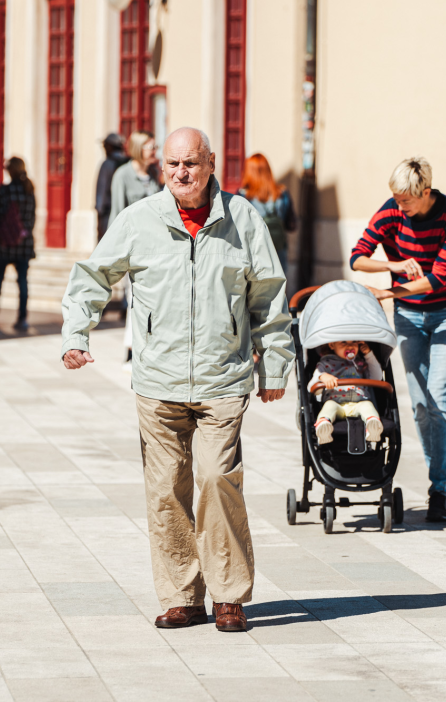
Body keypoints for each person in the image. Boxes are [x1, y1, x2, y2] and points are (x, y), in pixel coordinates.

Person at [61, 127, 293, 633]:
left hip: (222, 378)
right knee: (165, 489)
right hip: (158, 380)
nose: (181, 173)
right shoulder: (139, 220)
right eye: (172, 165)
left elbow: (270, 297)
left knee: (215, 480)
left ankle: (229, 594)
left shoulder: (243, 219)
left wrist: (274, 364)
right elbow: (93, 276)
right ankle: (183, 595)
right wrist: (76, 334)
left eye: (191, 163)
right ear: (161, 169)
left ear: (212, 163)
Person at [350, 157, 446, 523]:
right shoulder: (390, 212)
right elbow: (357, 258)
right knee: (419, 404)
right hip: (409, 317)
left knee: (438, 399)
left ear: (426, 192)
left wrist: (389, 293)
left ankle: (440, 489)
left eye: (406, 201)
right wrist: (393, 266)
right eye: (396, 199)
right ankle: (437, 483)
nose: (400, 206)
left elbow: (441, 277)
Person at [109, 130, 162, 368]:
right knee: (135, 300)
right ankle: (130, 349)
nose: (155, 151)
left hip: (157, 248)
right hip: (134, 250)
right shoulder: (122, 175)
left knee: (151, 300)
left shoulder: (153, 175)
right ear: (139, 148)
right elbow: (117, 215)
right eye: (151, 147)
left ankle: (146, 347)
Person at [0, 157, 37, 332]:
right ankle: (22, 317)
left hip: (4, 244)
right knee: (23, 282)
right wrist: (22, 233)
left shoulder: (5, 190)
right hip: (23, 244)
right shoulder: (29, 190)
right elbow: (32, 219)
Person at [308, 340, 383, 445]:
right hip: (336, 402)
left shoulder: (360, 363)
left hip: (359, 402)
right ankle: (323, 425)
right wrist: (322, 377)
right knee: (329, 407)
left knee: (368, 405)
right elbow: (311, 387)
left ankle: (372, 425)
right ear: (332, 345)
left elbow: (377, 378)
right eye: (343, 342)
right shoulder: (325, 364)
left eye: (354, 342)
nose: (350, 346)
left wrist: (368, 355)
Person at [237, 153, 297, 274]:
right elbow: (292, 225)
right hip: (278, 251)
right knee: (279, 288)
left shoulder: (243, 195)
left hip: (253, 254)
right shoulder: (282, 194)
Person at [95, 133, 129, 241]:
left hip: (108, 212)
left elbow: (102, 191)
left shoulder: (107, 164)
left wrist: (99, 213)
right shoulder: (128, 163)